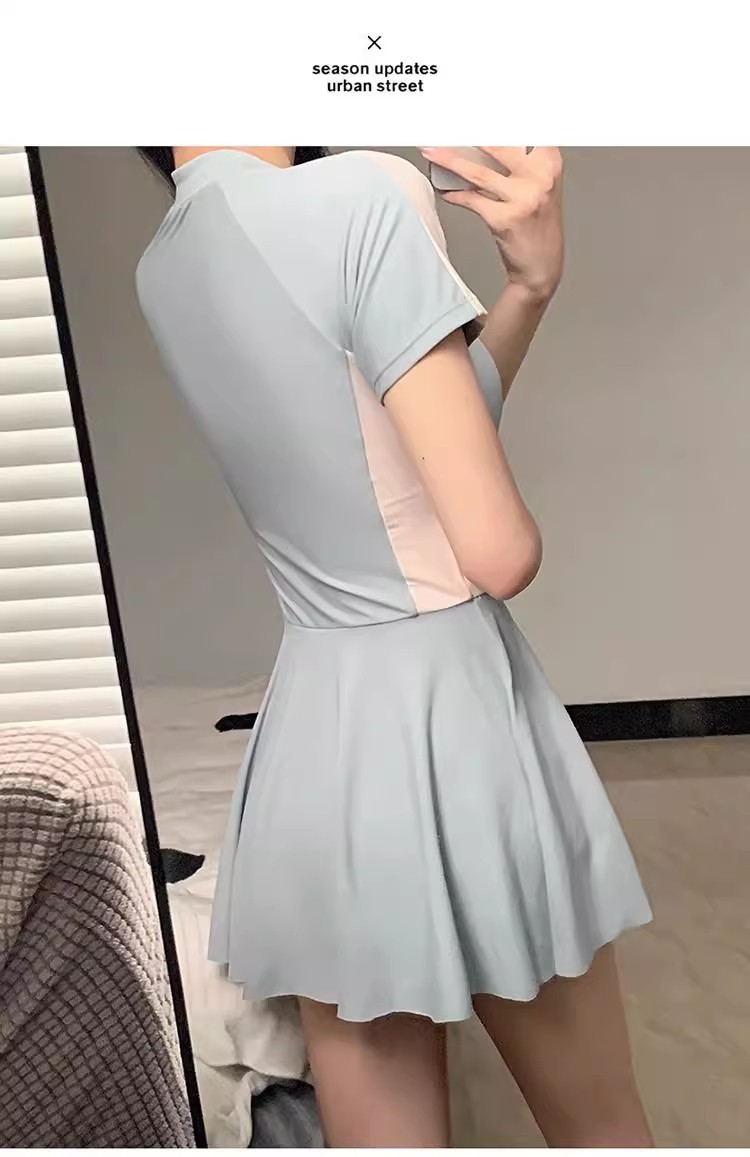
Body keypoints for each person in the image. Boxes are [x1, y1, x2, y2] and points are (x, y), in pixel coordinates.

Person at [136, 144, 654, 1147]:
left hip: (316, 732)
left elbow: (385, 445)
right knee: (602, 1128)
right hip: (452, 713)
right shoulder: (363, 193)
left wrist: (526, 290)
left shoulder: (167, 260)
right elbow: (494, 548)